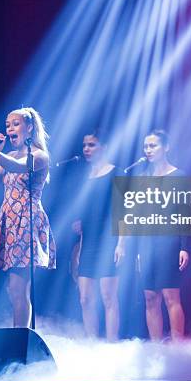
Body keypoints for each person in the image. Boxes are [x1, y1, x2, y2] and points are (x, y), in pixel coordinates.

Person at [0, 107, 56, 327]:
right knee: (12, 288)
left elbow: (17, 168)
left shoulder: (39, 156)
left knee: (19, 288)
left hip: (26, 221)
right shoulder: (7, 155)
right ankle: (19, 337)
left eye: (15, 124)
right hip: (9, 220)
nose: (9, 129)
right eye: (7, 125)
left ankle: (21, 340)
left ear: (29, 127)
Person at [71, 130, 125, 340]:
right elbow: (86, 215)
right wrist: (80, 245)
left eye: (91, 145)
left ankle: (112, 345)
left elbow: (125, 213)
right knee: (85, 298)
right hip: (88, 244)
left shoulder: (116, 173)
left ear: (103, 147)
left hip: (110, 241)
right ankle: (92, 344)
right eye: (84, 145)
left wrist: (121, 244)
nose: (86, 149)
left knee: (108, 297)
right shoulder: (84, 177)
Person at [139, 129, 189, 340]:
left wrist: (184, 247)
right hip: (146, 244)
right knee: (150, 297)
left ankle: (177, 348)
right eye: (146, 146)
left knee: (170, 296)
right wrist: (137, 250)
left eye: (153, 145)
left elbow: (184, 215)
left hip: (168, 242)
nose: (148, 150)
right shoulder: (142, 178)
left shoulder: (178, 176)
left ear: (166, 147)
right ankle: (156, 348)